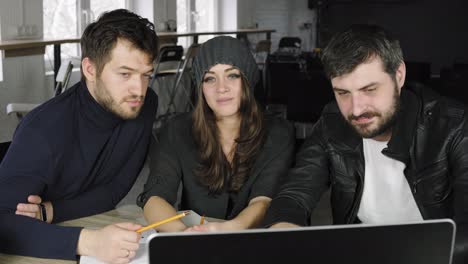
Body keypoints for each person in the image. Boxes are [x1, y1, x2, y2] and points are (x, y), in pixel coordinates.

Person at [263, 24, 468, 263]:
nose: (356, 109)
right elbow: (296, 192)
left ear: (399, 75)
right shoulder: (332, 122)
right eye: (343, 93)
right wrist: (284, 228)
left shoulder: (454, 126)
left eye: (369, 89)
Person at [0, 9, 158, 263]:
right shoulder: (42, 130)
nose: (138, 90)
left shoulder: (145, 104)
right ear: (90, 68)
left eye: (146, 75)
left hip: (72, 227)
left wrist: (51, 211)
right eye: (125, 74)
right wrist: (88, 242)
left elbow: (115, 189)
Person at [138, 36, 294, 232]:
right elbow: (154, 197)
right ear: (200, 87)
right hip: (194, 242)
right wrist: (183, 235)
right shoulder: (177, 130)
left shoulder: (278, 133)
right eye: (210, 78)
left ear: (248, 80)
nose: (221, 88)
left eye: (232, 75)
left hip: (254, 243)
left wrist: (228, 230)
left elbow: (263, 201)